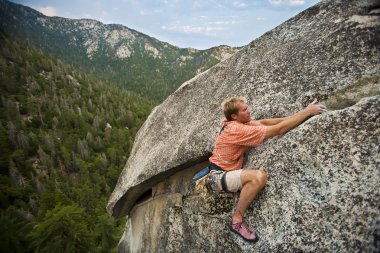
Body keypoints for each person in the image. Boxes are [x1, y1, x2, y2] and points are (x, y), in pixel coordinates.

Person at [208, 96, 326, 242]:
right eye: (244, 109)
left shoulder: (237, 122)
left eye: (247, 107)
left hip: (224, 170)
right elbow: (279, 129)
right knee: (258, 177)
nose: (249, 110)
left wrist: (300, 114)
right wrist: (307, 112)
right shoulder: (237, 129)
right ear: (234, 116)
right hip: (218, 177)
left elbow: (264, 123)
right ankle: (237, 221)